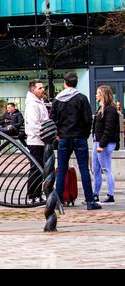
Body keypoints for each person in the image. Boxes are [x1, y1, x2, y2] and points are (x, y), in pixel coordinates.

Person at [51, 72, 102, 210]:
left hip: (64, 138)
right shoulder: (82, 98)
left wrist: (58, 133)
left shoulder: (58, 99)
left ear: (64, 83)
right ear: (76, 83)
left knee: (61, 169)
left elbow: (52, 119)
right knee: (84, 169)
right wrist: (84, 135)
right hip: (79, 137)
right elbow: (88, 119)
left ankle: (59, 200)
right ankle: (90, 201)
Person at [92, 85, 120, 206]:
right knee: (96, 169)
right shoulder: (101, 108)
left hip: (104, 143)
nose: (96, 95)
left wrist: (101, 145)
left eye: (98, 93)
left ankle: (110, 195)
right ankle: (95, 194)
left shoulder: (110, 109)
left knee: (106, 169)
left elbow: (109, 129)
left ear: (103, 94)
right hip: (97, 142)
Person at [24, 79, 48, 203]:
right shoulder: (32, 104)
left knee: (40, 168)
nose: (43, 90)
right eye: (40, 88)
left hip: (40, 140)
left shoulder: (39, 102)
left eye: (42, 87)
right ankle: (32, 195)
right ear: (33, 90)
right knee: (36, 168)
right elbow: (34, 124)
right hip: (36, 141)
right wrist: (44, 135)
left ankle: (37, 193)